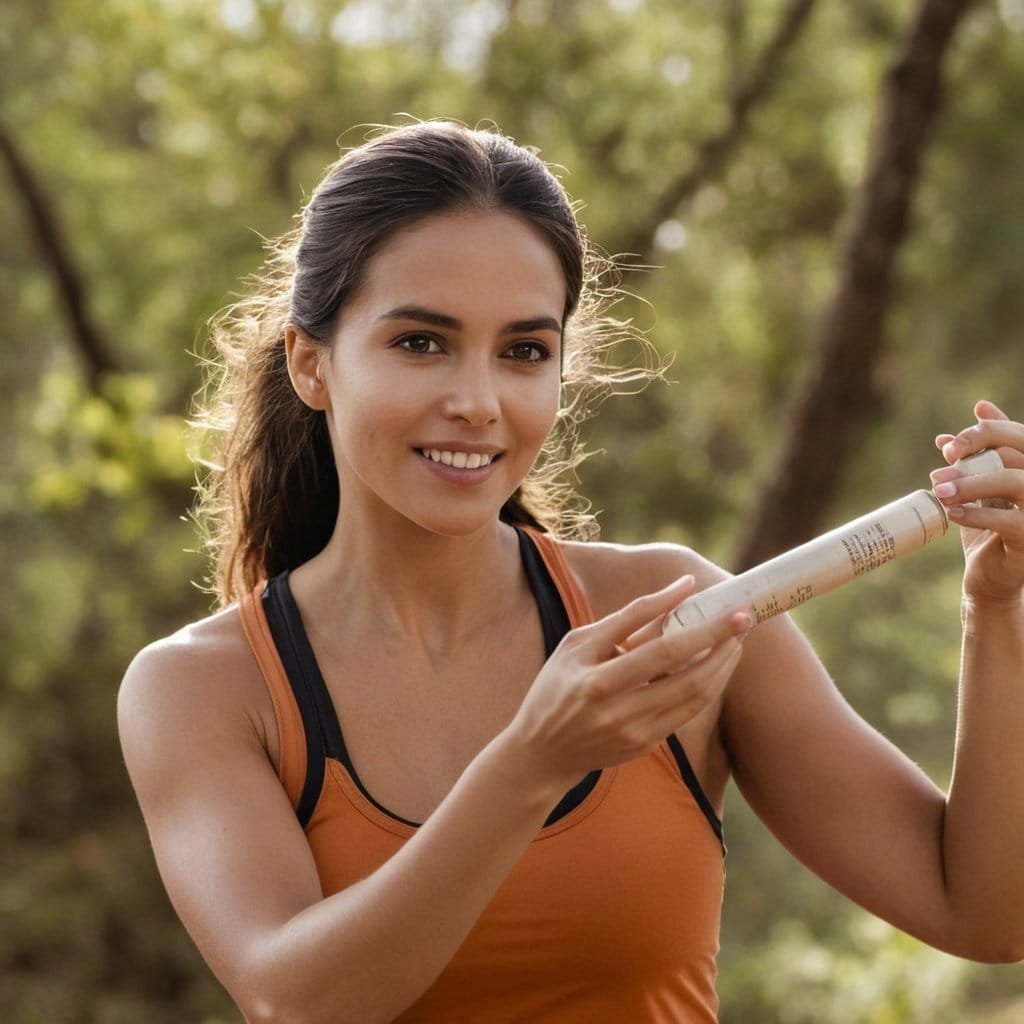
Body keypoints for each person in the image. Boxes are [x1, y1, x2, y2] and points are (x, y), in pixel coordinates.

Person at [118, 120, 1024, 1024]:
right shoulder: (204, 689)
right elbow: (298, 1000)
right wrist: (534, 761)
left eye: (523, 351)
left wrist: (999, 609)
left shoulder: (679, 612)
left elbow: (983, 912)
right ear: (312, 364)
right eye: (421, 343)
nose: (477, 402)